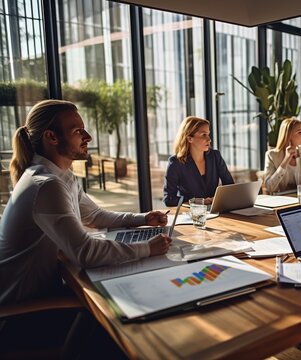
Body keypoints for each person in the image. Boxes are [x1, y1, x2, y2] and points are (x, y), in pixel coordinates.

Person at [0, 100, 172, 357]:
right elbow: (85, 252)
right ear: (51, 137)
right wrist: (147, 248)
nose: (88, 136)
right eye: (77, 130)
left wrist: (143, 218)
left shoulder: (61, 176)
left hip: (41, 295)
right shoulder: (45, 184)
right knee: (129, 322)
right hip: (21, 316)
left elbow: (95, 216)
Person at [163, 116, 234, 206]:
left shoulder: (215, 156)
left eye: (208, 134)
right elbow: (168, 199)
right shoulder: (176, 163)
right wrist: (197, 201)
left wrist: (217, 199)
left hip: (216, 211)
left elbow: (230, 186)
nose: (209, 139)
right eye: (203, 135)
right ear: (190, 139)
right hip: (191, 213)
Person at [263, 117, 301, 194]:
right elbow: (270, 187)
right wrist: (286, 160)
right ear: (288, 135)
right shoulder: (271, 155)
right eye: (299, 132)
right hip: (281, 201)